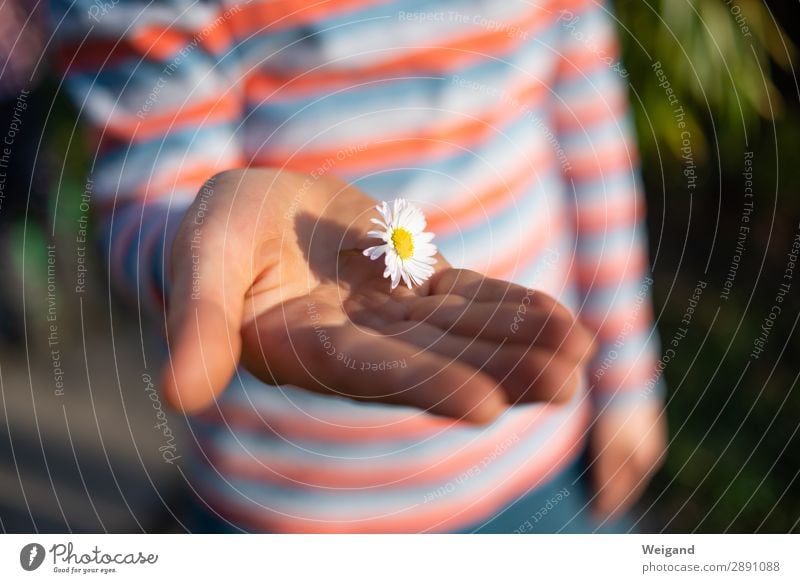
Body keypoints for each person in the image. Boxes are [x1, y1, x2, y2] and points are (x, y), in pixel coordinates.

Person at [51, 0, 666, 533]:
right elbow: (146, 193)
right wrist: (193, 245)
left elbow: (587, 116)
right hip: (289, 496)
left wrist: (626, 373)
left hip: (533, 444)